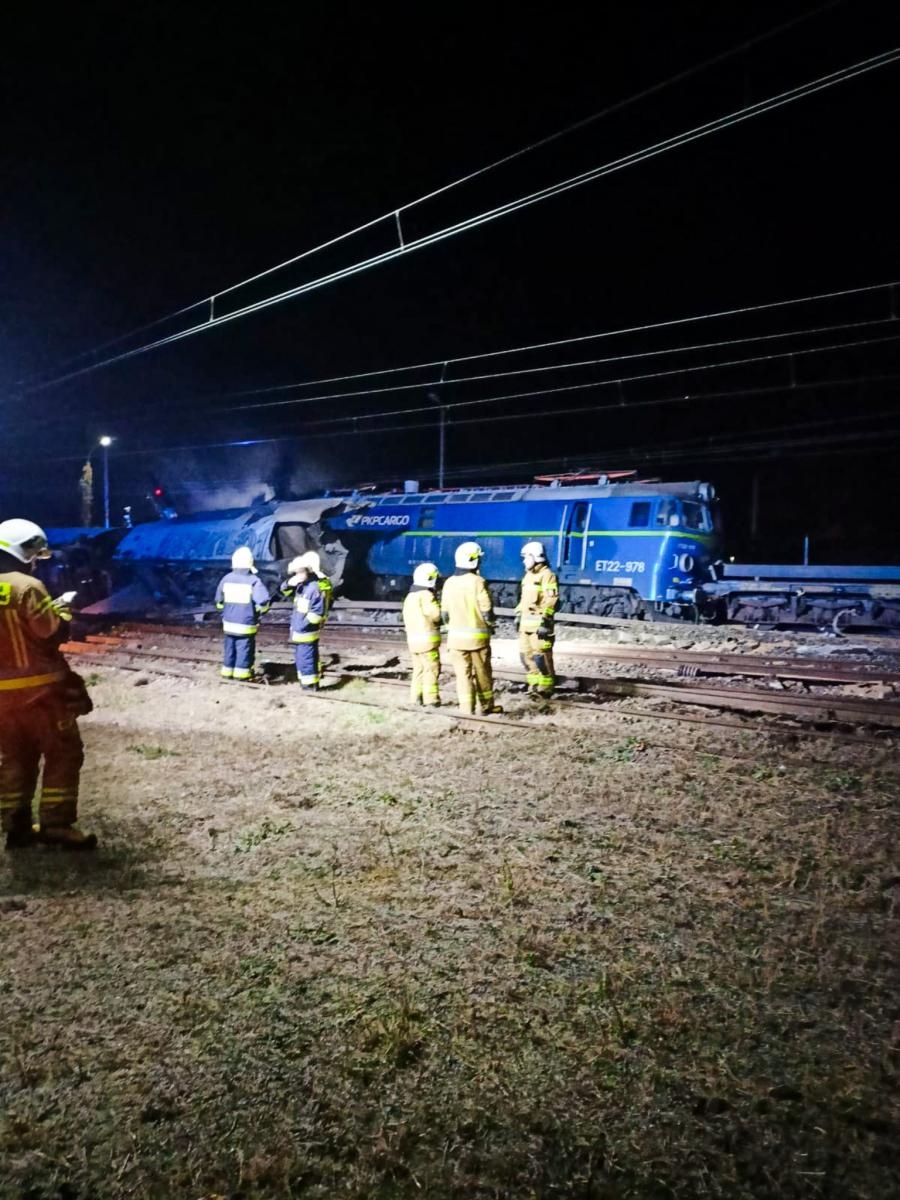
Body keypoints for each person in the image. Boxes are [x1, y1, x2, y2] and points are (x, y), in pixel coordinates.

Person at [0, 518, 96, 850]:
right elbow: (52, 633)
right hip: (40, 692)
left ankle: (16, 825)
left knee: (14, 757)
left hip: (2, 698)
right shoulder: (27, 587)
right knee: (63, 752)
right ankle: (56, 824)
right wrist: (63, 613)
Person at [440, 541, 502, 715]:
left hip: (455, 641)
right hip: (477, 641)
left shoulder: (449, 583)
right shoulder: (478, 582)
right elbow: (487, 610)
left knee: (462, 676)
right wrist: (491, 625)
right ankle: (487, 706)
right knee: (482, 674)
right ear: (474, 561)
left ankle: (466, 709)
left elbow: (444, 614)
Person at [214, 546, 272, 681]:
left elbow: (219, 602)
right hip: (245, 624)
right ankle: (242, 675)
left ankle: (227, 673)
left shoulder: (226, 579)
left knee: (229, 649)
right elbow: (263, 602)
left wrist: (224, 614)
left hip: (228, 624)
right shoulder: (253, 581)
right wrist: (257, 613)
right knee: (244, 649)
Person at [515, 541, 560, 698]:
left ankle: (546, 687)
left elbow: (551, 600)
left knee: (540, 656)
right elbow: (524, 599)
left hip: (539, 626)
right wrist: (518, 615)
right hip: (525, 626)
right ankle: (533, 684)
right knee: (525, 655)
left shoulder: (547, 576)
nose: (523, 561)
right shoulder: (528, 576)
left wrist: (545, 621)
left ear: (535, 557)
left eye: (526, 557)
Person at [280, 557, 326, 690]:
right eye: (296, 572)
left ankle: (310, 686)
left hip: (306, 633)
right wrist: (289, 583)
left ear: (308, 571)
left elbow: (317, 613)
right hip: (299, 633)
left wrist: (302, 625)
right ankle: (305, 683)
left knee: (306, 660)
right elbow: (283, 591)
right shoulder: (301, 587)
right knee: (301, 660)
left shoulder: (313, 589)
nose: (298, 575)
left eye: (301, 572)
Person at [402, 562, 442, 706]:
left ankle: (416, 698)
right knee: (431, 669)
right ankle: (431, 700)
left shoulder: (410, 596)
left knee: (418, 670)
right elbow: (435, 615)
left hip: (413, 642)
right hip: (427, 643)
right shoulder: (426, 595)